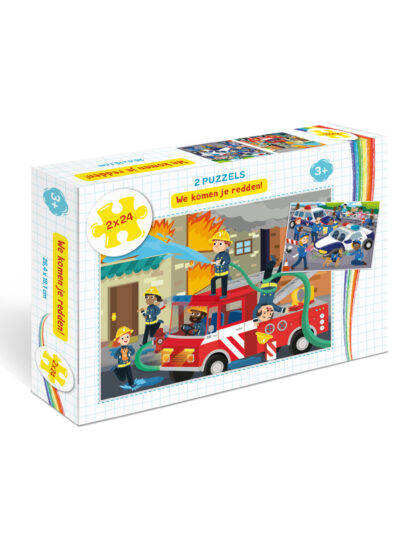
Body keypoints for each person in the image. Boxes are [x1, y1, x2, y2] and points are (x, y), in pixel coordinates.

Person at [110, 326, 138, 390]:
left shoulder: (129, 348)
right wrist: (120, 356)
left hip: (127, 363)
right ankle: (115, 370)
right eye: (122, 338)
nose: (125, 339)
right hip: (121, 365)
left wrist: (130, 351)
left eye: (127, 337)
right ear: (118, 340)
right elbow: (115, 356)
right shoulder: (119, 350)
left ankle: (131, 384)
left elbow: (133, 352)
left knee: (129, 374)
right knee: (122, 378)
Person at [210, 230, 232, 298]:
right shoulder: (217, 255)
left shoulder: (226, 255)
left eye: (220, 244)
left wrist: (221, 262)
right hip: (218, 273)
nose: (216, 246)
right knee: (213, 280)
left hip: (224, 272)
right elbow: (216, 263)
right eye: (215, 243)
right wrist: (214, 264)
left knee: (224, 284)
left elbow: (227, 262)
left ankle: (224, 294)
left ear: (227, 245)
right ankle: (213, 293)